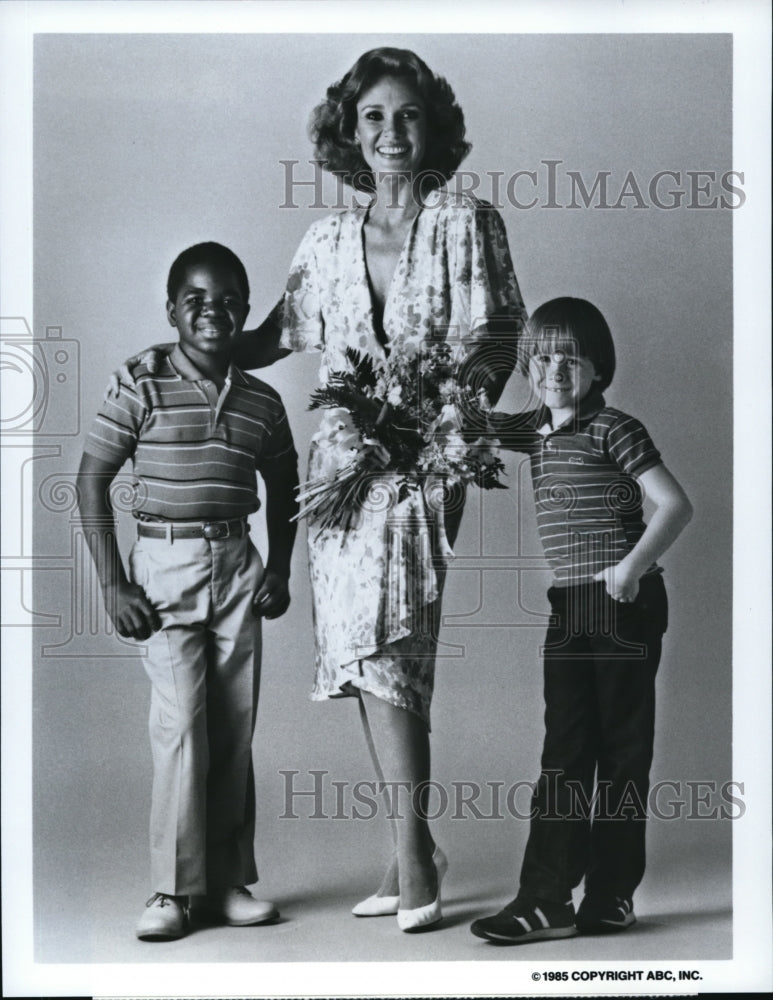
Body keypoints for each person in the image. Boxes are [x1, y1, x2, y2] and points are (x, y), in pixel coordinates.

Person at [111, 48, 527, 932]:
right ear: (349, 131)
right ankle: (410, 852)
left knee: (396, 646)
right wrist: (173, 355)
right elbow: (270, 337)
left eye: (407, 115)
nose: (390, 133)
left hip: (426, 462)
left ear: (434, 128)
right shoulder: (326, 239)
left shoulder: (466, 221)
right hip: (340, 469)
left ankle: (415, 855)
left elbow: (499, 335)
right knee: (366, 656)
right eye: (373, 117)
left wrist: (456, 413)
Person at [79, 242, 299, 940]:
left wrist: (279, 568)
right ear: (171, 308)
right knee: (180, 726)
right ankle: (172, 890)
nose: (213, 310)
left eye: (229, 299)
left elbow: (285, 485)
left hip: (237, 564)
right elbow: (91, 481)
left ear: (246, 309)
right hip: (163, 567)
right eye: (196, 299)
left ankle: (228, 882)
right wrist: (113, 584)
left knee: (233, 725)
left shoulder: (262, 401)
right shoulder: (141, 383)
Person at [469, 297, 693, 944]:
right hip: (569, 607)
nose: (554, 370)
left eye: (570, 358)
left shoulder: (613, 428)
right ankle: (545, 899)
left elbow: (674, 505)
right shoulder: (532, 430)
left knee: (622, 753)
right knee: (564, 753)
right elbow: (465, 425)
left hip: (623, 603)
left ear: (598, 368)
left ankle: (611, 895)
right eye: (541, 358)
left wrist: (629, 569)